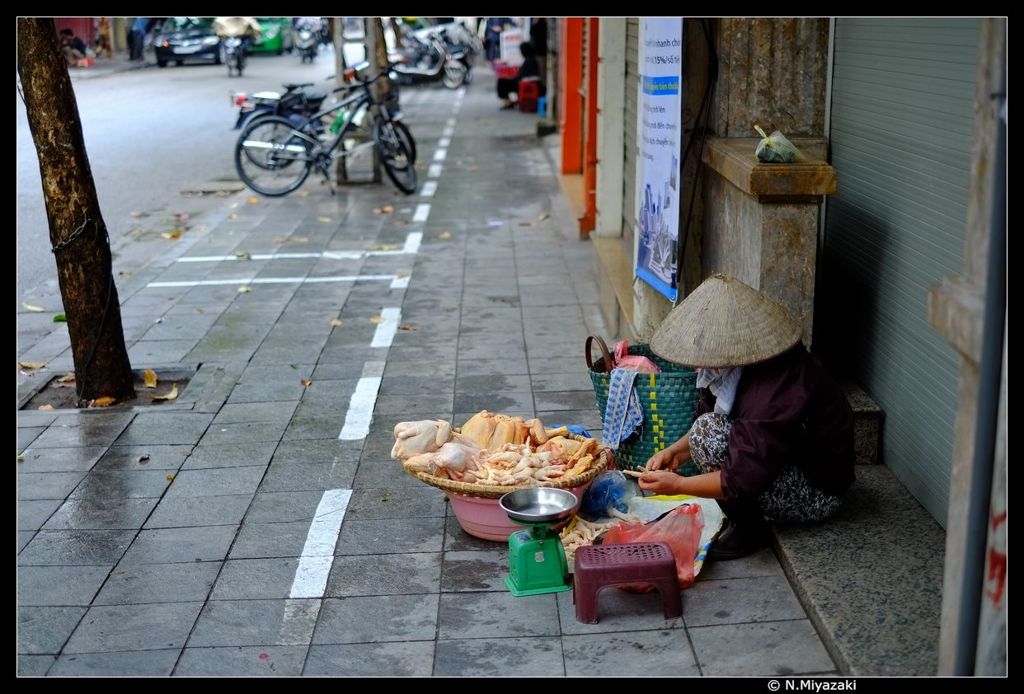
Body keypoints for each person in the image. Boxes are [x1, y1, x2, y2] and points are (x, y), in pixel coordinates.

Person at [638, 273, 855, 560]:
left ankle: (750, 528)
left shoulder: (774, 385)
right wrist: (676, 453)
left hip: (817, 493)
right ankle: (744, 517)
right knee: (705, 431)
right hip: (785, 458)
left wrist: (676, 485)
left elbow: (739, 477)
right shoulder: (731, 370)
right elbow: (718, 422)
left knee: (707, 434)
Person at [496, 41, 545, 110]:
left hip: (526, 84)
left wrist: (512, 77)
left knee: (502, 82)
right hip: (525, 81)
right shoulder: (531, 59)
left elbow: (523, 76)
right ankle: (509, 102)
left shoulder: (529, 61)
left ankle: (508, 102)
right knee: (503, 80)